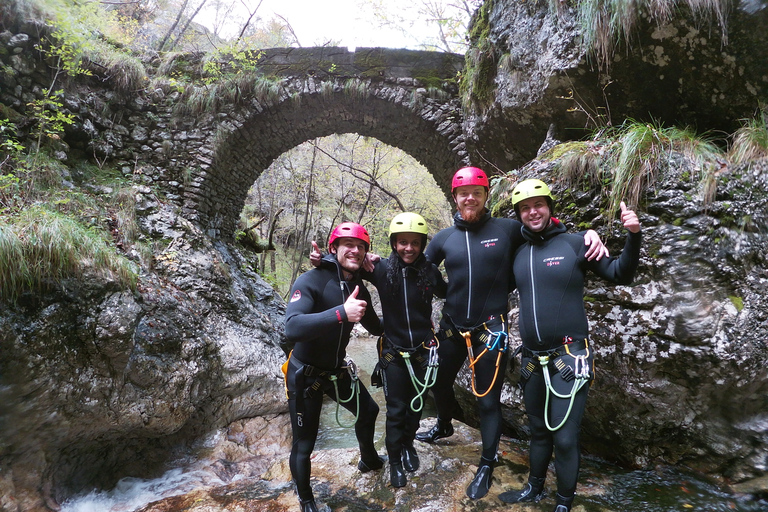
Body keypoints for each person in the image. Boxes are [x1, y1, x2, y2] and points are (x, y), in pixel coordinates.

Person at [415, 167, 608, 500]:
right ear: (455, 198)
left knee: (488, 401)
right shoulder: (444, 238)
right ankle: (444, 422)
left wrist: (589, 233)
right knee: (436, 382)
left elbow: (546, 232)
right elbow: (413, 266)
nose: (470, 198)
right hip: (451, 326)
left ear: (486, 195)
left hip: (491, 328)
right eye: (464, 193)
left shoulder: (507, 230)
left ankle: (487, 465)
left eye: (477, 192)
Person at [497, 179, 641, 512]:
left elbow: (620, 274)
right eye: (525, 208)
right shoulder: (518, 252)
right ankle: (533, 490)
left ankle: (563, 504)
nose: (533, 212)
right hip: (532, 359)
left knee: (564, 437)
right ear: (519, 214)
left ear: (550, 207)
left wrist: (633, 235)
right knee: (537, 431)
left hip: (569, 357)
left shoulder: (576, 244)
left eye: (539, 205)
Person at [310, 212, 447, 489]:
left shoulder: (430, 272)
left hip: (423, 349)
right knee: (396, 409)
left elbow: (448, 292)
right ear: (394, 243)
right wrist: (321, 259)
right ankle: (394, 460)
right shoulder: (380, 269)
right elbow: (346, 264)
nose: (408, 248)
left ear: (422, 244)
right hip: (393, 353)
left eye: (415, 243)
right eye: (402, 242)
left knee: (416, 406)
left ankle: (408, 445)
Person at [284, 222, 386, 512]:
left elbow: (377, 327)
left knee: (369, 410)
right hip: (306, 375)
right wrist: (341, 313)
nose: (355, 250)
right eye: (348, 245)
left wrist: (412, 319)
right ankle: (306, 499)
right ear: (334, 248)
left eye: (361, 246)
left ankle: (368, 458)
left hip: (336, 371)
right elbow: (292, 327)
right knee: (305, 444)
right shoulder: (311, 280)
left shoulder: (357, 287)